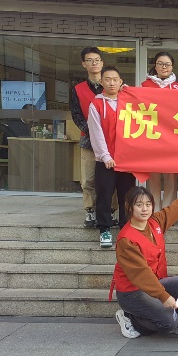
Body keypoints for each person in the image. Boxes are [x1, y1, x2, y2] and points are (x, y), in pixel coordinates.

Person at [111, 177, 178, 339]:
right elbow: (141, 274)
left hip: (156, 283)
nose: (144, 209)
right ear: (129, 207)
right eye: (139, 205)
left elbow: (176, 207)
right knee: (169, 323)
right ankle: (130, 318)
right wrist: (164, 296)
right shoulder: (126, 239)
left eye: (148, 204)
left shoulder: (155, 222)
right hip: (133, 292)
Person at [87, 66, 136, 248]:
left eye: (115, 79)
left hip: (125, 159)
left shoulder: (128, 101)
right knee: (104, 194)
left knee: (127, 196)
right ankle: (105, 229)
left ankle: (126, 229)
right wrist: (105, 155)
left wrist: (131, 92)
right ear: (101, 82)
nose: (112, 83)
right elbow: (96, 133)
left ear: (121, 81)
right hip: (105, 160)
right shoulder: (96, 104)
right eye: (108, 79)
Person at [142, 52, 178, 212]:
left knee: (170, 176)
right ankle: (154, 211)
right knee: (153, 176)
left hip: (172, 138)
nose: (164, 67)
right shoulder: (145, 86)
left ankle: (167, 211)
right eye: (160, 63)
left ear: (172, 67)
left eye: (167, 64)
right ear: (155, 65)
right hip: (151, 136)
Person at [70, 47, 106, 227]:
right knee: (88, 179)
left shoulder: (112, 85)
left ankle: (110, 210)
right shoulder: (78, 89)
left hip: (110, 140)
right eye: (90, 60)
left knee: (109, 178)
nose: (94, 63)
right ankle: (90, 211)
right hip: (88, 139)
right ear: (84, 64)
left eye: (97, 60)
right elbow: (76, 114)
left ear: (102, 63)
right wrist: (90, 130)